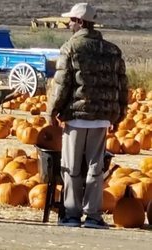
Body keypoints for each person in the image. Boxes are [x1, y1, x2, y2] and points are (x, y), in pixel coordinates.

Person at [47, 3, 128, 229]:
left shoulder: (70, 48)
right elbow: (122, 86)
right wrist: (119, 115)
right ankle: (93, 215)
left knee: (71, 166)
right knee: (95, 166)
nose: (68, 24)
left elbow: (62, 84)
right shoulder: (112, 50)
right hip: (102, 118)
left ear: (81, 22)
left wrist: (52, 112)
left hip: (76, 116)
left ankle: (71, 214)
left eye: (71, 21)